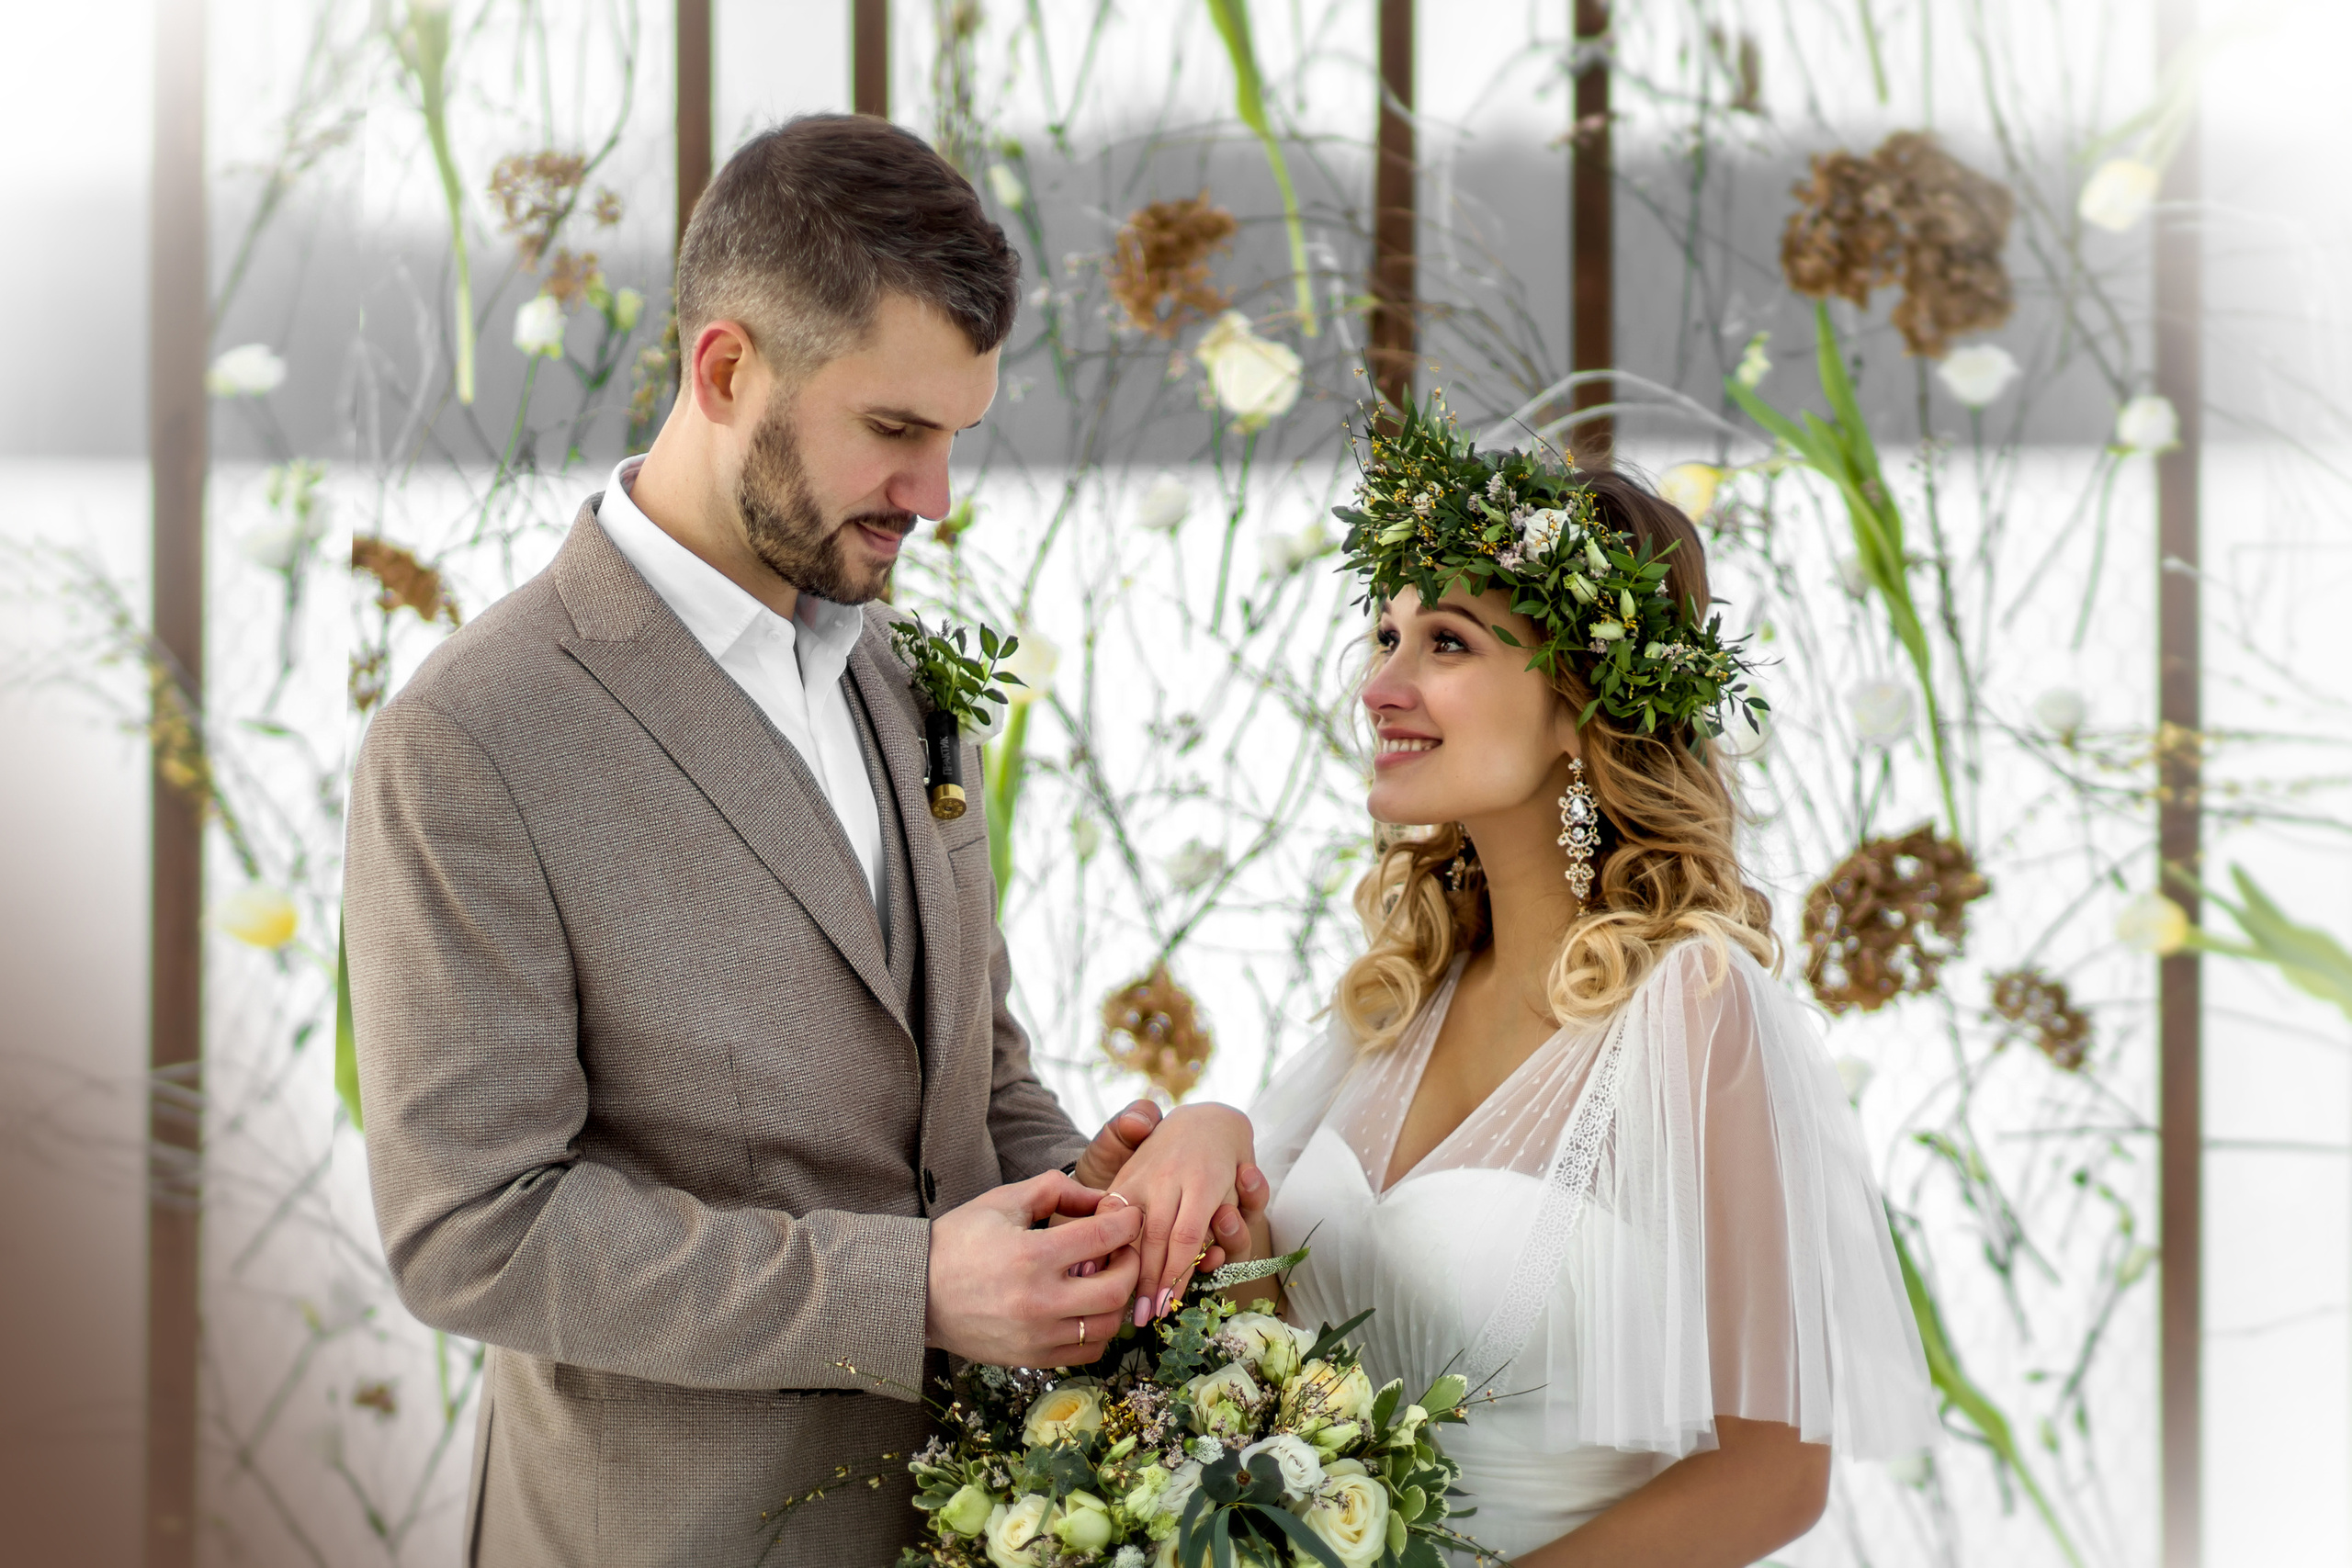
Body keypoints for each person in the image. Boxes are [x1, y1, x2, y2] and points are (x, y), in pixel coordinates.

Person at [345, 115, 1253, 1568]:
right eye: (894, 430)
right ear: (725, 370)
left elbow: (973, 1082)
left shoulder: (902, 676)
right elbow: (474, 1229)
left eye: (955, 437)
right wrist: (913, 1290)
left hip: (969, 1524)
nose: (935, 496)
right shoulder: (471, 734)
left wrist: (1108, 1199)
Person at [1216, 412, 1940, 1563]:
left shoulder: (1694, 1008)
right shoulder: (1405, 994)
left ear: (1578, 703)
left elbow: (1772, 1474)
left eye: (1445, 643)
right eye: (1385, 636)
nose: (1380, 687)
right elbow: (1268, 1352)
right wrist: (1199, 1149)